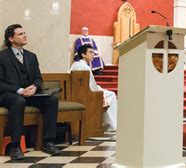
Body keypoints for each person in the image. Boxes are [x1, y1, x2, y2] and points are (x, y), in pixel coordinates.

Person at [0, 24, 62, 160]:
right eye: (20, 34)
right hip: (8, 95)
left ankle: (48, 142)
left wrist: (34, 86)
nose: (25, 36)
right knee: (18, 100)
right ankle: (15, 146)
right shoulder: (2, 57)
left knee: (51, 100)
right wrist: (20, 90)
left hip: (30, 93)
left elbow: (38, 77)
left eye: (24, 33)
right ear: (11, 38)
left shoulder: (31, 56)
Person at [70, 44, 117, 131]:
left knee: (107, 93)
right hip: (87, 94)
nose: (93, 55)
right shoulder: (85, 67)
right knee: (112, 95)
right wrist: (101, 92)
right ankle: (110, 125)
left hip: (75, 93)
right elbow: (92, 87)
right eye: (90, 52)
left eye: (93, 52)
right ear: (83, 54)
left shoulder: (74, 65)